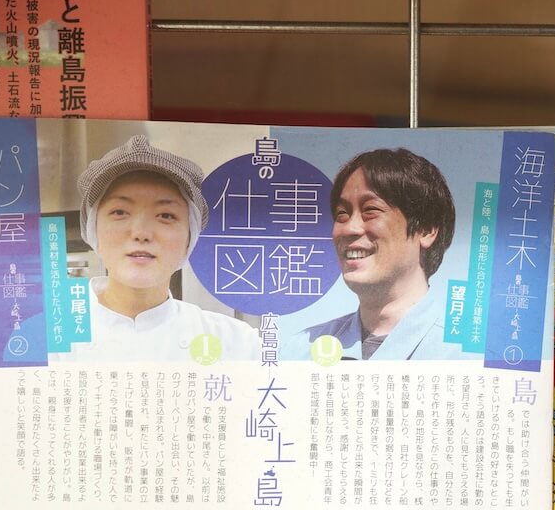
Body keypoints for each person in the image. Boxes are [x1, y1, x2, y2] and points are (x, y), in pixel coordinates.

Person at [57, 135, 260, 363]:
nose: (141, 232)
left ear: (190, 239)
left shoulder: (239, 345)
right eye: (120, 212)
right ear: (93, 230)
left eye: (166, 215)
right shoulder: (43, 338)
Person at [294, 147, 460, 361]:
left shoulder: (470, 353)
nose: (349, 228)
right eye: (342, 214)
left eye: (370, 210)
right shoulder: (298, 351)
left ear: (426, 230)